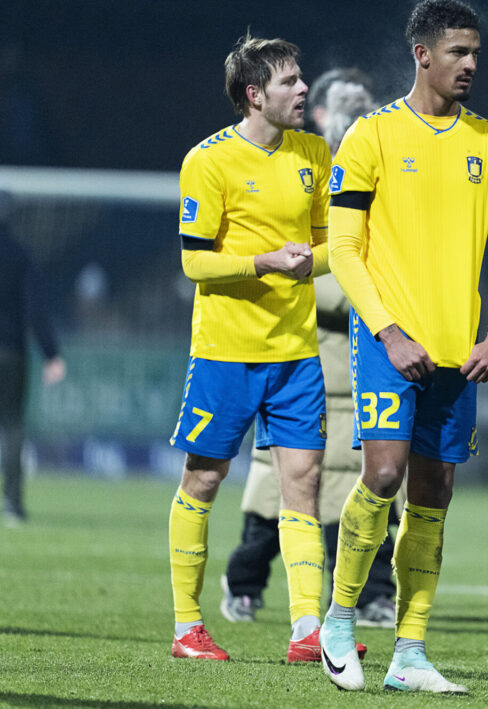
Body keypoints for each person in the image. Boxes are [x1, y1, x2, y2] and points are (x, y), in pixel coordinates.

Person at [319, 0, 488, 694]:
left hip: (458, 350)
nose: (471, 64)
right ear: (422, 54)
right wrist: (387, 327)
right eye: (458, 52)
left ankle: (409, 650)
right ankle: (339, 620)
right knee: (383, 476)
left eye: (475, 53)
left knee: (434, 494)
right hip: (389, 340)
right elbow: (345, 249)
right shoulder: (371, 137)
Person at [167, 34, 332, 663]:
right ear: (254, 94)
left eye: (301, 78)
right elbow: (193, 263)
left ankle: (306, 630)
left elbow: (329, 246)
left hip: (295, 351)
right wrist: (262, 262)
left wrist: (304, 265)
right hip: (225, 351)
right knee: (204, 479)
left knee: (303, 482)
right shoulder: (207, 162)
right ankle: (188, 628)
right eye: (290, 81)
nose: (303, 90)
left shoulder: (313, 152)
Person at [220, 67, 400, 630]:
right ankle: (245, 582)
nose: (358, 109)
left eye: (365, 101)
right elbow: (291, 257)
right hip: (302, 353)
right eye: (346, 102)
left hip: (367, 355)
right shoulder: (301, 168)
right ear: (318, 112)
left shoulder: (380, 167)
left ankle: (373, 594)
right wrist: (355, 287)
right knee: (282, 485)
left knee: (370, 480)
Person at [0, 191, 66, 527]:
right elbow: (34, 308)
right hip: (10, 352)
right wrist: (51, 353)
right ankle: (12, 505)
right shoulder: (20, 254)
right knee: (12, 426)